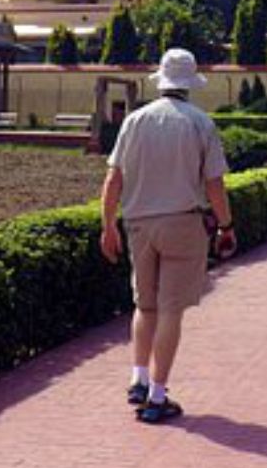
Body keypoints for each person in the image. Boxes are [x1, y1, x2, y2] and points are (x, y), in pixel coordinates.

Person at [99, 48, 236, 425]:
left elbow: (113, 179)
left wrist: (108, 225)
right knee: (171, 310)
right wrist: (226, 226)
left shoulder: (135, 120)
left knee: (145, 306)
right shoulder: (200, 123)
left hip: (138, 223)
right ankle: (157, 397)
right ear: (190, 84)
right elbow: (214, 184)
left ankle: (139, 378)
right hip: (182, 223)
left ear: (161, 80)